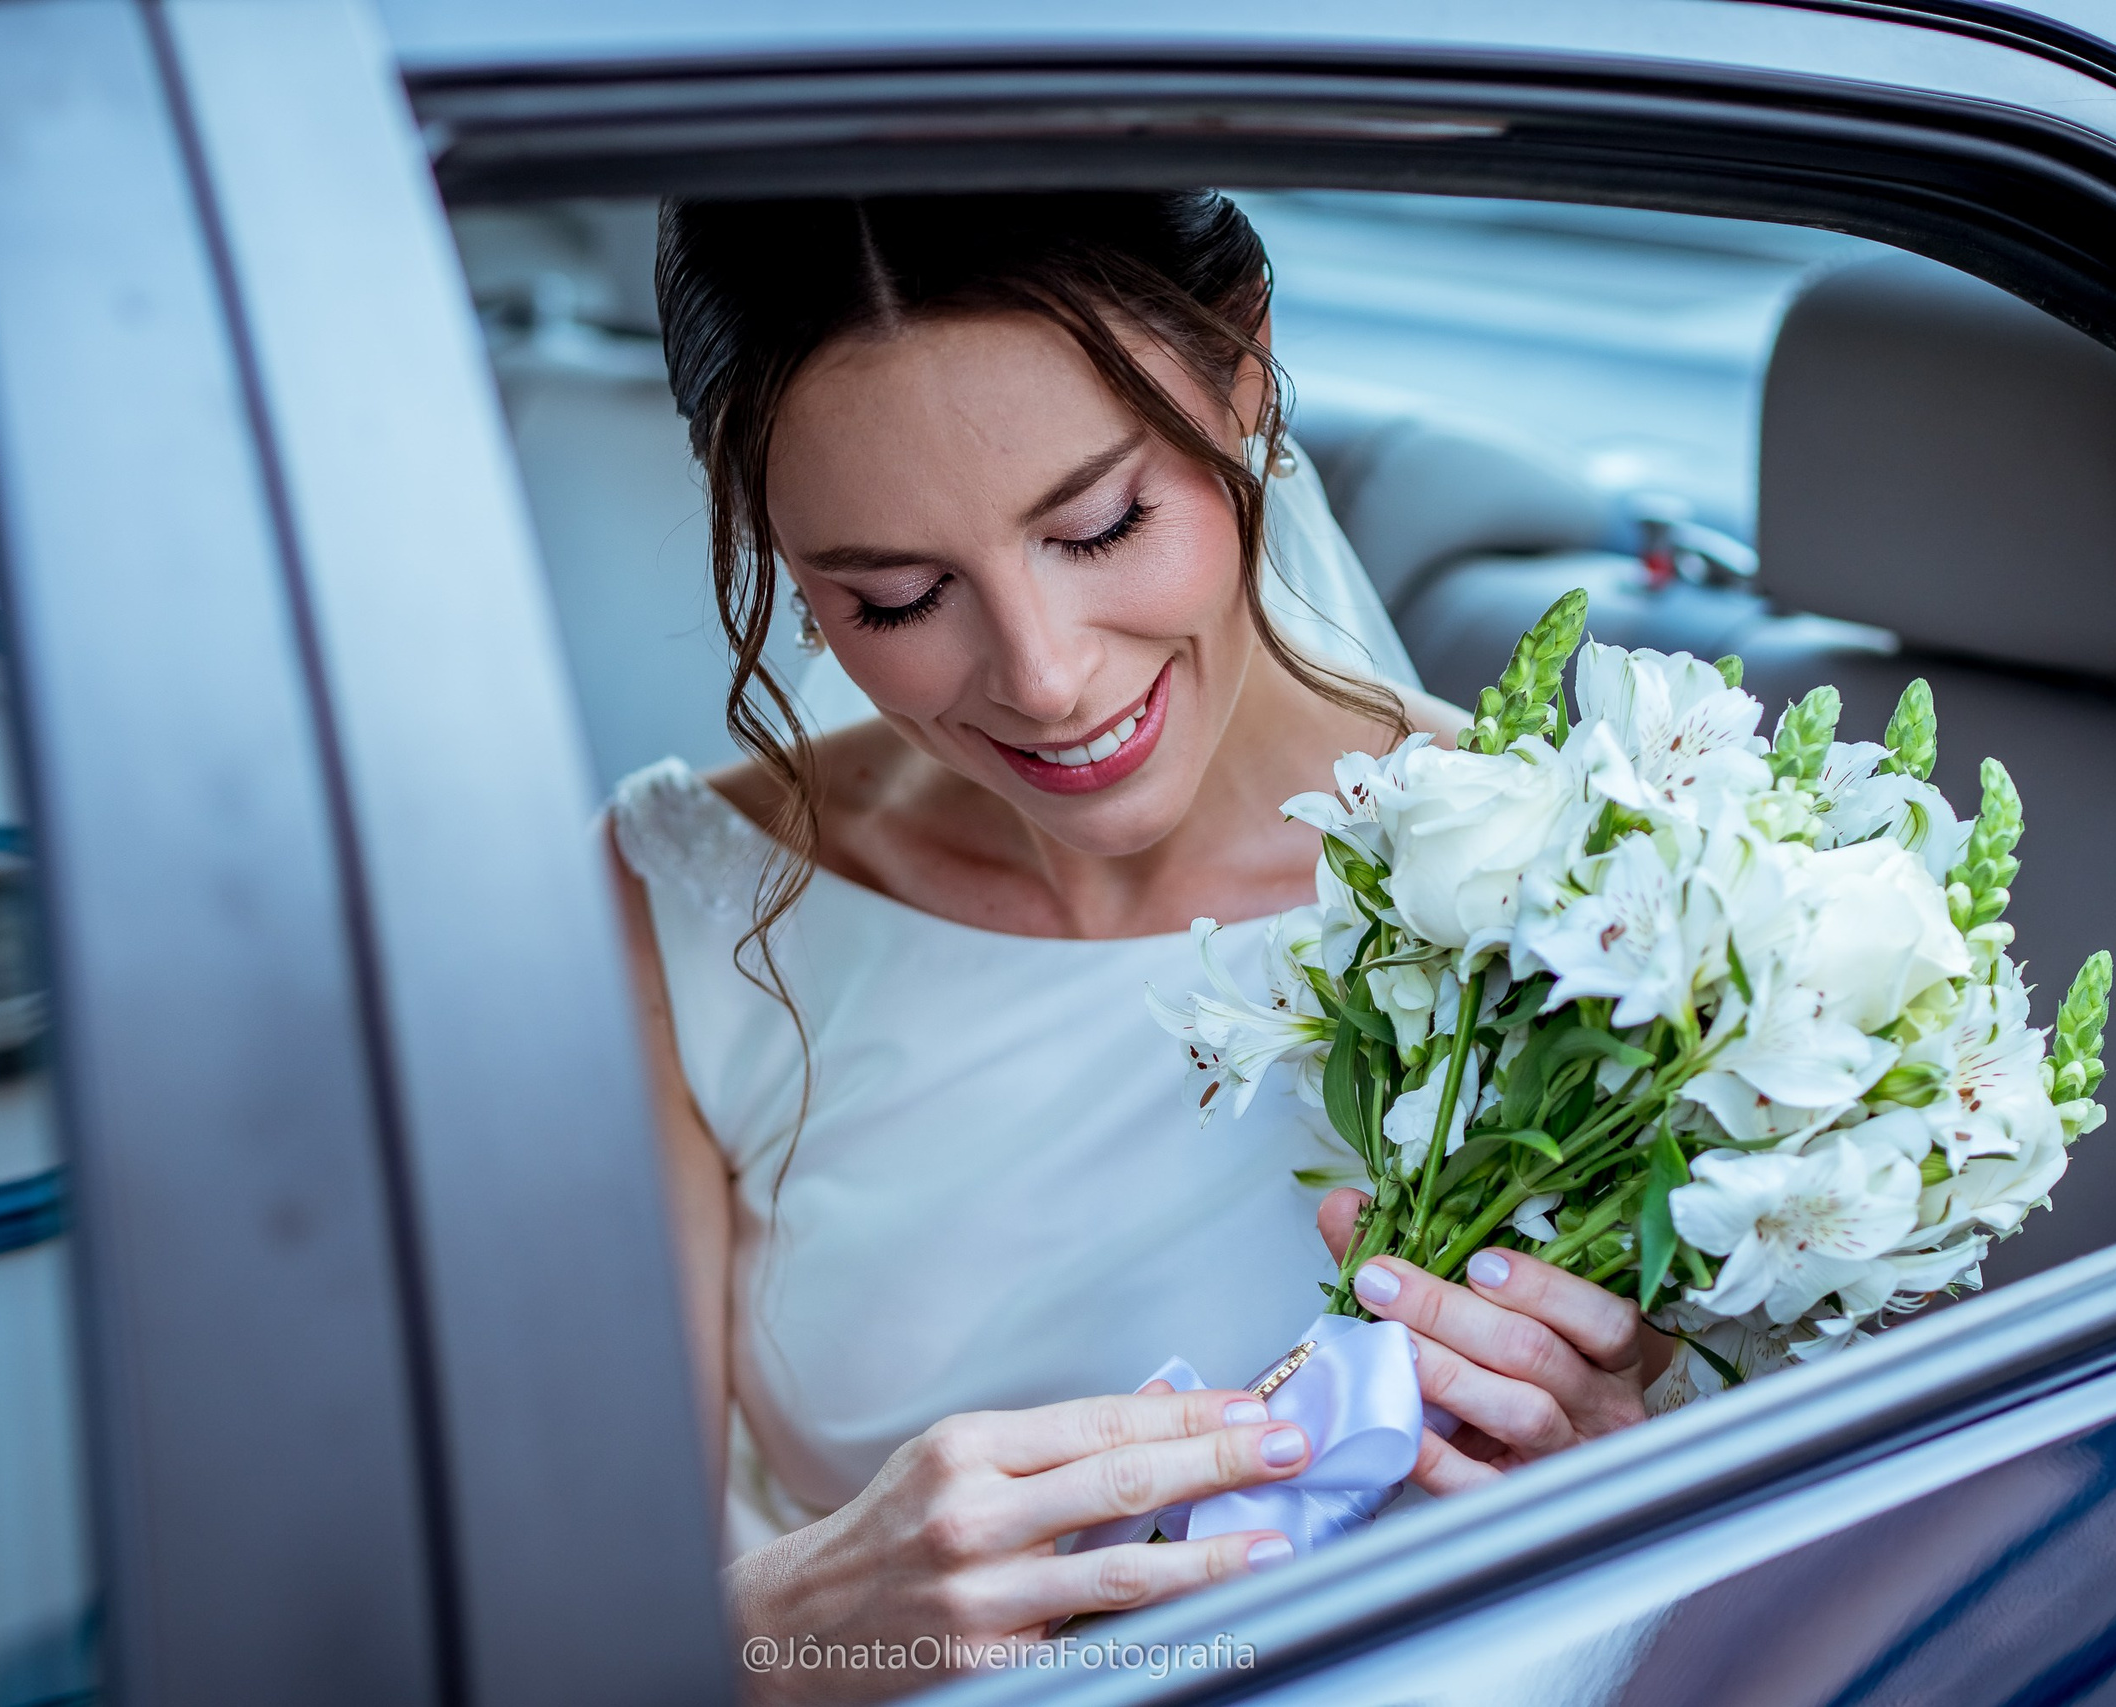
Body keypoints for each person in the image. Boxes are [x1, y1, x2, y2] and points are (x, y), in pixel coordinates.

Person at [609, 191, 1662, 1701]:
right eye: (897, 597)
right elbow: (567, 1616)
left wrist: (1639, 1480)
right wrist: (777, 1632)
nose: (1043, 678)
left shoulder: (1598, 908)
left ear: (1245, 367)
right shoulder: (684, 906)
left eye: (1101, 526)